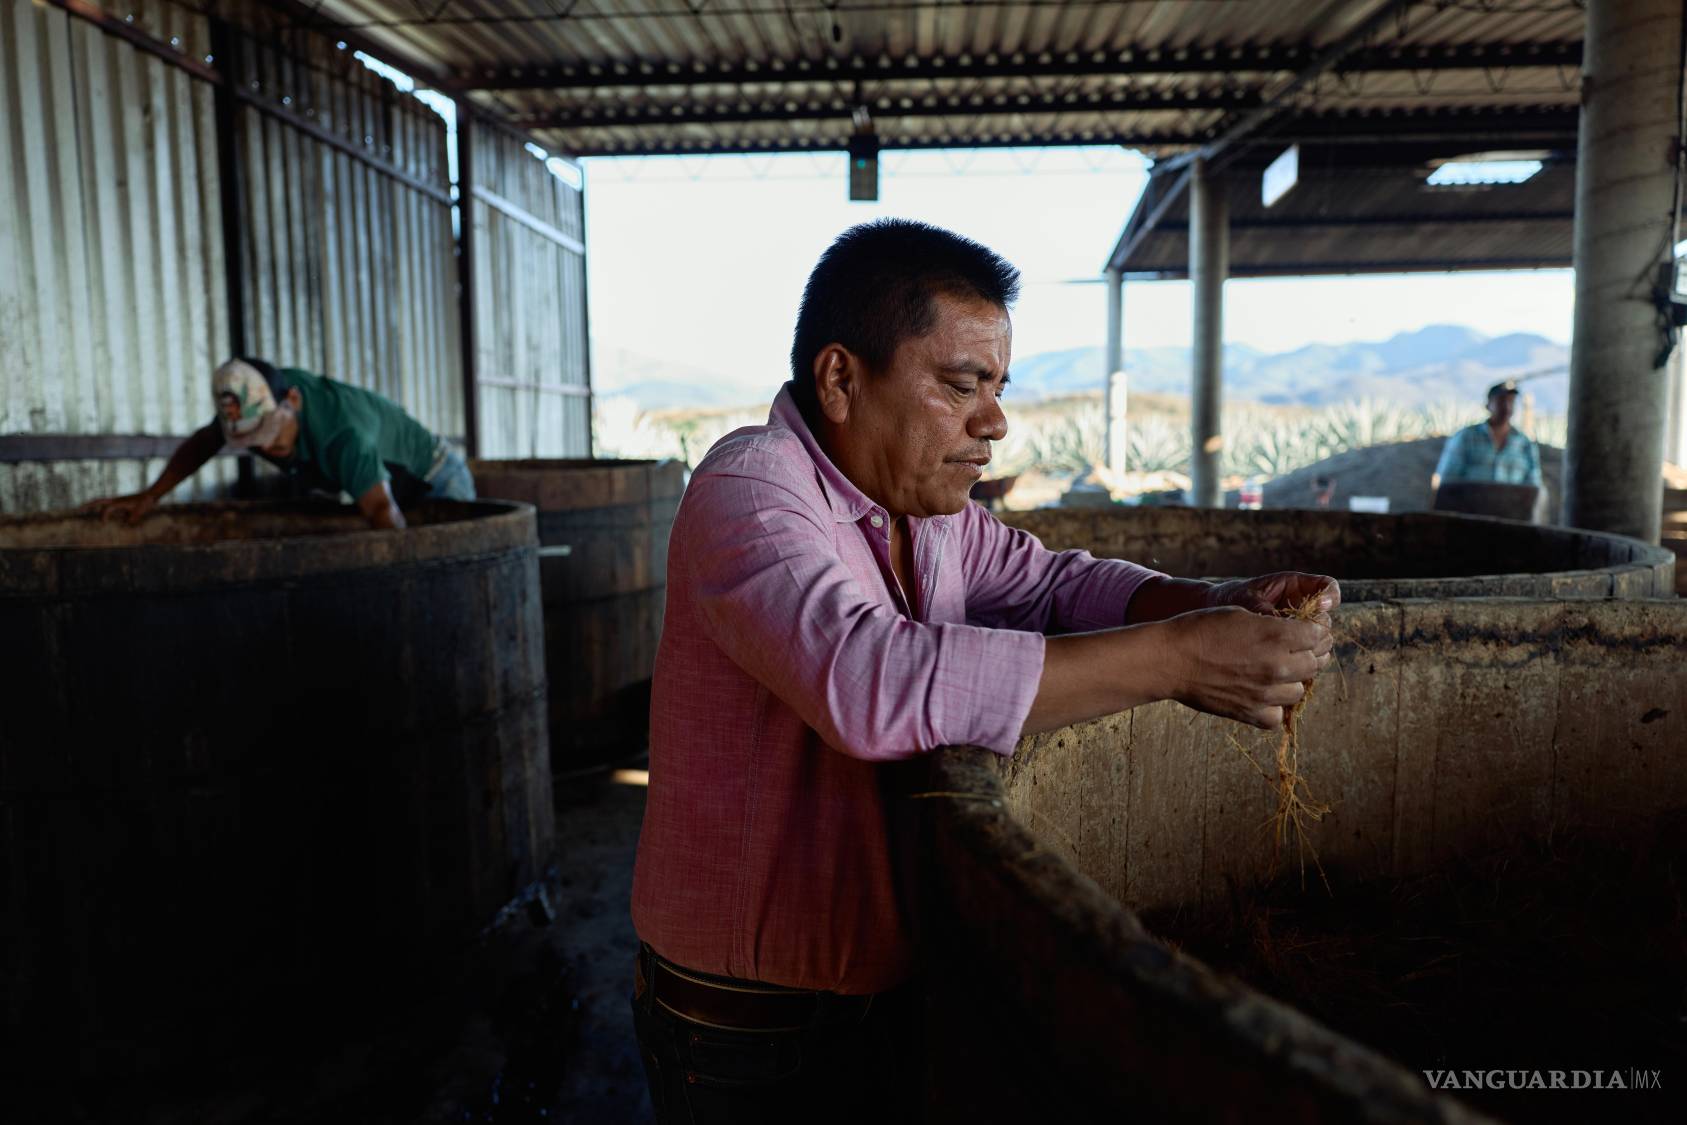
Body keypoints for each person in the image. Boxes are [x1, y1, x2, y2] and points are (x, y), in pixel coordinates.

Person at [628, 220, 1338, 1123]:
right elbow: (866, 680)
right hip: (749, 1035)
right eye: (962, 386)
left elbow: (1049, 582)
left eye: (997, 387)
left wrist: (1212, 597)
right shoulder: (750, 490)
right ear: (840, 379)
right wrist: (1180, 657)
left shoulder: (924, 510)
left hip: (888, 993)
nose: (993, 423)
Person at [85, 358, 474, 529]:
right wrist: (151, 496)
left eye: (270, 434)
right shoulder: (252, 408)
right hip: (382, 484)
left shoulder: (343, 434)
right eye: (253, 441)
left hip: (433, 478)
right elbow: (204, 442)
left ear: (294, 401)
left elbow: (383, 515)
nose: (266, 448)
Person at [1432, 379, 1543, 491]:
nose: (1506, 407)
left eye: (1511, 401)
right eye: (1501, 401)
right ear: (1488, 405)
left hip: (1510, 507)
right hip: (1469, 506)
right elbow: (1448, 479)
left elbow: (1533, 486)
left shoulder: (1524, 444)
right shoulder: (1466, 437)